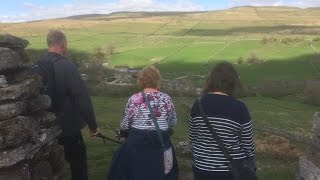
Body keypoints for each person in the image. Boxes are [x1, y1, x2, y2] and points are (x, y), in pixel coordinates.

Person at [30, 30, 99, 180]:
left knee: (49, 168)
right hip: (67, 129)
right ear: (64, 44)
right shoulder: (67, 66)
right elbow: (82, 98)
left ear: (48, 44)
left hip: (44, 129)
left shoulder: (37, 66)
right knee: (78, 166)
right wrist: (93, 126)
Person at [108, 66, 179, 180]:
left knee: (125, 167)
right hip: (161, 141)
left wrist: (123, 132)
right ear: (157, 80)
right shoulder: (166, 98)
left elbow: (125, 125)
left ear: (140, 81)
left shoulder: (134, 99)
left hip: (137, 143)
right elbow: (173, 121)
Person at [189, 62, 256, 180]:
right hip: (232, 171)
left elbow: (193, 139)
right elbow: (248, 145)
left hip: (201, 170)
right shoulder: (240, 108)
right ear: (233, 83)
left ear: (211, 81)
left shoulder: (197, 105)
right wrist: (251, 167)